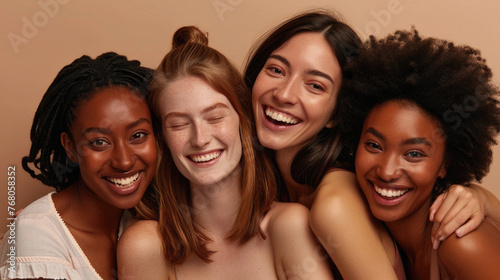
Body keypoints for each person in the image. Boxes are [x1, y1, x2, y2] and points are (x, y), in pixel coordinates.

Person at [243, 9, 500, 279]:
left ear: (337, 113)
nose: (284, 94)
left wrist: (486, 201)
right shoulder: (266, 190)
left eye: (316, 85)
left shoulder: (336, 203)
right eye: (275, 69)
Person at [117, 26, 333, 280]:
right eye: (179, 124)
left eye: (215, 117)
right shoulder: (145, 246)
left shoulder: (288, 226)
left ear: (243, 119)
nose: (200, 138)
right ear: (163, 138)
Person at [340, 28, 500, 279]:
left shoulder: (462, 243)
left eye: (413, 154)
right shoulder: (375, 238)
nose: (387, 171)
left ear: (445, 164)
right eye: (374, 146)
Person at [0, 52, 157, 280]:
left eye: (138, 135)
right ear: (71, 147)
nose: (124, 161)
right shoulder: (37, 237)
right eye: (99, 142)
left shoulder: (152, 217)